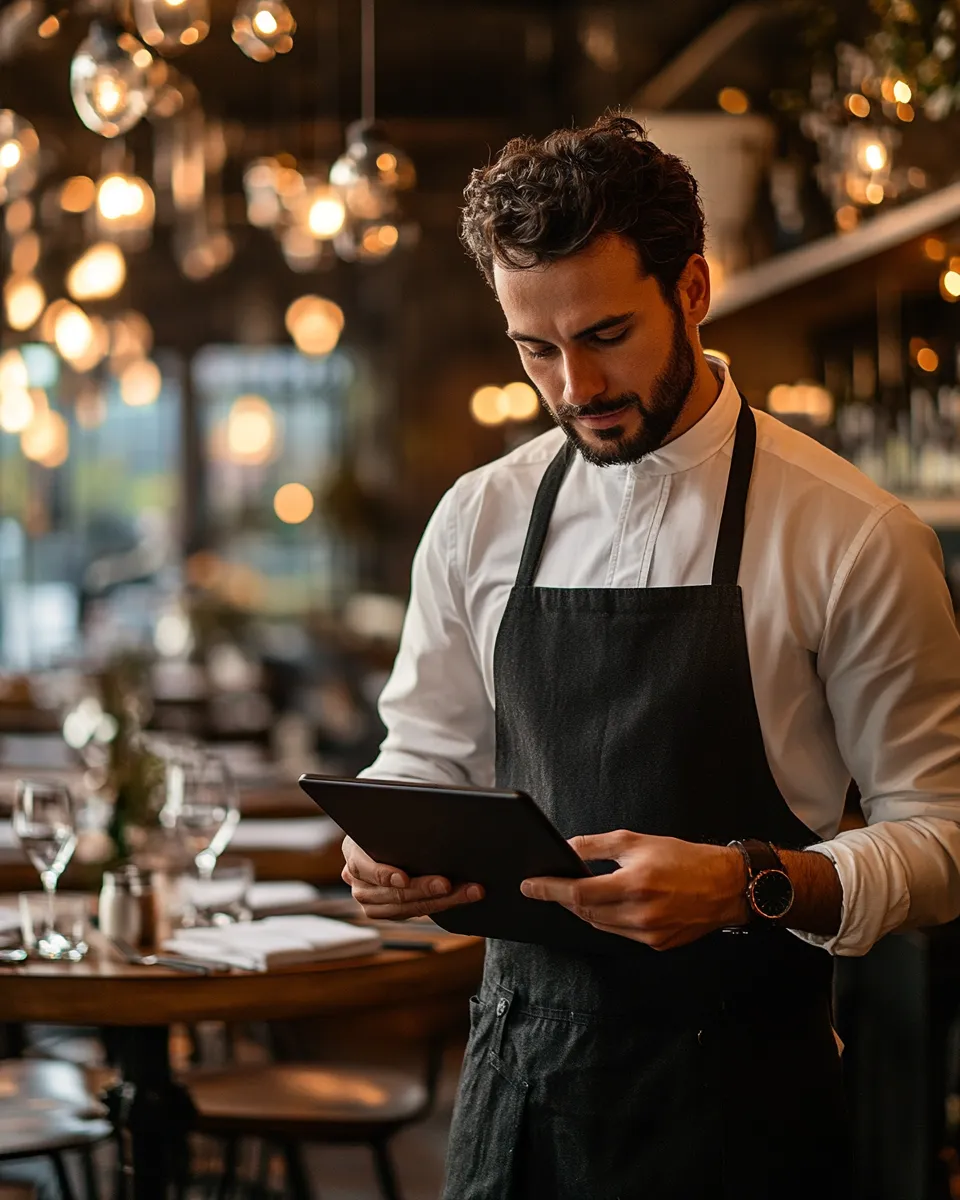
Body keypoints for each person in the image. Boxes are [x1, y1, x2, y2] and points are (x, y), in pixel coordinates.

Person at [341, 114, 960, 1198]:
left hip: (745, 1120)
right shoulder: (477, 519)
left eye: (606, 333)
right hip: (514, 1107)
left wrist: (748, 885)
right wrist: (385, 846)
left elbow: (945, 839)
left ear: (694, 291)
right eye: (536, 348)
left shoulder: (852, 534)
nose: (576, 385)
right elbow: (420, 757)